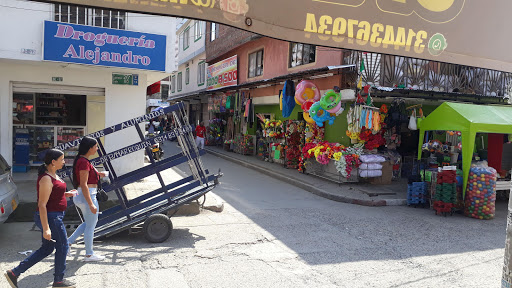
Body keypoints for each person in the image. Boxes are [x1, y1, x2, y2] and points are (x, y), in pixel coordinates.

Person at [5, 149, 76, 288]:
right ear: (53, 162)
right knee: (63, 246)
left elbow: (54, 194)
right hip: (51, 217)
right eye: (62, 159)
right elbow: (42, 205)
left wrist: (67, 194)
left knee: (47, 249)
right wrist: (46, 228)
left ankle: (14, 273)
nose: (64, 161)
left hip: (55, 215)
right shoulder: (46, 178)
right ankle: (59, 281)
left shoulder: (53, 175)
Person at [67, 136, 106, 262]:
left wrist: (100, 174)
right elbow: (83, 184)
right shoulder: (83, 162)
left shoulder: (83, 160)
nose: (97, 148)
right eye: (95, 146)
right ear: (90, 148)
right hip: (87, 195)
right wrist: (91, 204)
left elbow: (87, 178)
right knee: (91, 226)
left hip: (85, 195)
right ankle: (89, 254)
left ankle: (68, 243)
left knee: (88, 223)